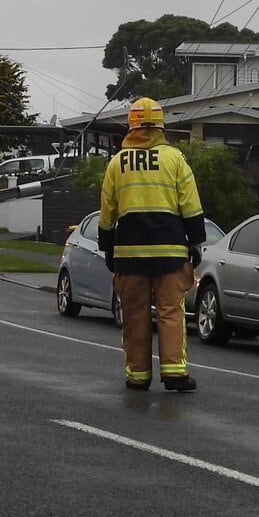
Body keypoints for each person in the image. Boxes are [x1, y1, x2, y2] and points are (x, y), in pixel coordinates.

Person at [97, 97, 205, 392]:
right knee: (171, 311)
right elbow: (191, 206)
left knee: (135, 313)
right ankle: (174, 373)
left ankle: (138, 375)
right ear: (160, 125)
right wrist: (195, 243)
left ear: (130, 125)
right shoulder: (174, 159)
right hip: (170, 251)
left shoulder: (117, 163)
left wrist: (107, 246)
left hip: (129, 253)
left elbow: (108, 210)